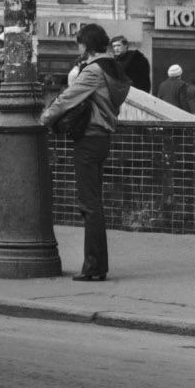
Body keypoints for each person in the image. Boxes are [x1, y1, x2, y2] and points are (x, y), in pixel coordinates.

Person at [40, 23, 130, 281]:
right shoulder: (114, 67)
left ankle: (94, 267)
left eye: (79, 43)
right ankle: (97, 265)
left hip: (89, 138)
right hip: (103, 138)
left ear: (86, 45)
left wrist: (43, 119)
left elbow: (67, 98)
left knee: (89, 204)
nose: (78, 48)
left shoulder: (93, 71)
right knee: (94, 202)